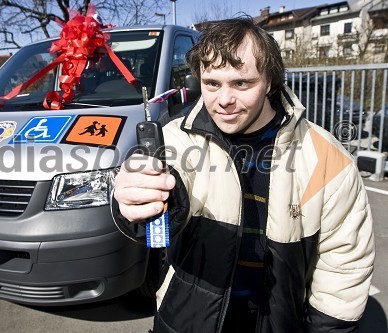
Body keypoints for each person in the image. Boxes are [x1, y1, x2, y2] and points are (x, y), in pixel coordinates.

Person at [111, 17, 374, 332]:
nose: (223, 101)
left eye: (241, 83)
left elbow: (344, 263)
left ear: (270, 82)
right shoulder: (174, 139)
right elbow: (164, 194)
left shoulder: (327, 156)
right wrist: (139, 200)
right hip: (185, 321)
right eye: (212, 84)